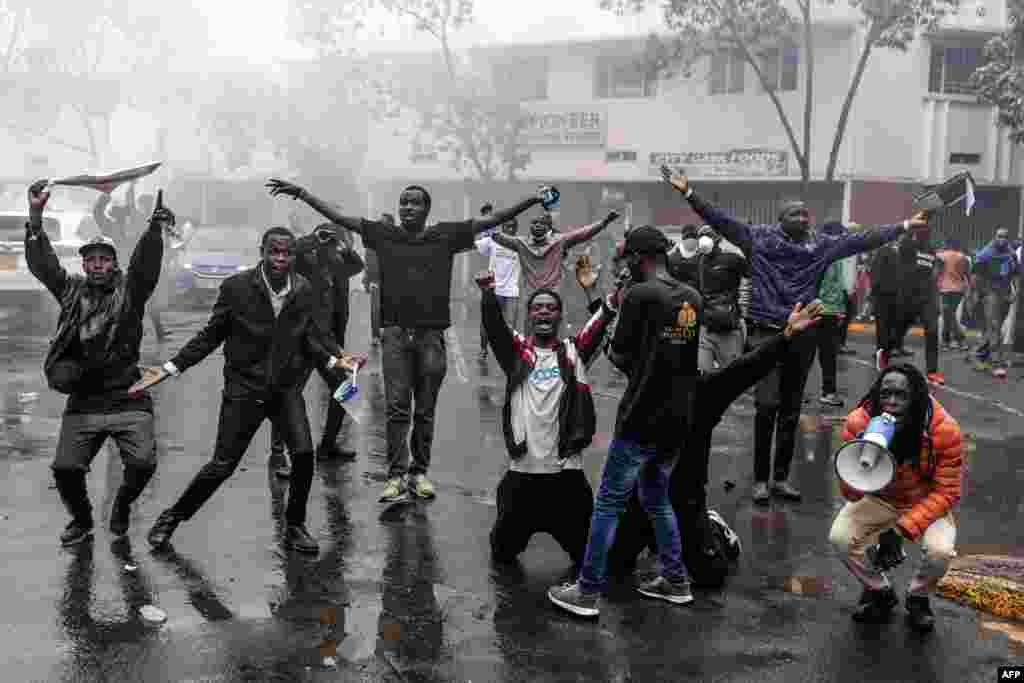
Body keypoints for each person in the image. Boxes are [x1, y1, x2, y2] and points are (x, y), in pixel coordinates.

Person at [266, 178, 555, 503]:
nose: (407, 207)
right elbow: (342, 218)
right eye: (403, 201)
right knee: (397, 408)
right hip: (395, 336)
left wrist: (531, 200)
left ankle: (419, 472)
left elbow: (492, 220)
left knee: (425, 411)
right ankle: (396, 476)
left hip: (431, 336)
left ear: (426, 209)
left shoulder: (444, 235)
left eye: (415, 202)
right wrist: (304, 193)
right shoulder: (384, 235)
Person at [661, 165, 926, 505]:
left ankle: (780, 478)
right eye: (795, 214)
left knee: (790, 409)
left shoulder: (820, 245)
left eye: (806, 214)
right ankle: (759, 479)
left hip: (802, 336)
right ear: (781, 219)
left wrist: (903, 225)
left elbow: (863, 238)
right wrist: (688, 193)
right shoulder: (759, 238)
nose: (803, 218)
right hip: (766, 333)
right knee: (766, 407)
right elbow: (720, 219)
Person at [134, 227, 364, 555]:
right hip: (245, 389)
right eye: (274, 252)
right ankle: (172, 517)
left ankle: (295, 525)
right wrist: (171, 367)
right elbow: (210, 335)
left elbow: (309, 338)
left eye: (286, 253)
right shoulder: (237, 288)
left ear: (294, 256)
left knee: (302, 455)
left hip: (284, 390)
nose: (280, 259)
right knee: (222, 465)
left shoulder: (303, 289)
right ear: (262, 251)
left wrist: (336, 359)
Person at [607, 301, 825, 587]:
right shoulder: (642, 377)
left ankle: (714, 527)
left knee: (711, 576)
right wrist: (604, 303)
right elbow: (614, 348)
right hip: (642, 498)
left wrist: (786, 335)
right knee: (612, 567)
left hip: (685, 501)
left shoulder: (705, 389)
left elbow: (749, 366)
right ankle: (656, 538)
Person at [546, 226, 701, 617]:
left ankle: (587, 590)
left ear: (636, 258)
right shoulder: (691, 296)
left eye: (626, 258)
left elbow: (619, 355)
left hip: (643, 413)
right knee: (655, 496)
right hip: (679, 415)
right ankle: (675, 579)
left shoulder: (639, 295)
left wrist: (611, 320)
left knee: (609, 502)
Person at [25, 180, 173, 546]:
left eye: (103, 259)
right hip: (85, 401)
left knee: (142, 465)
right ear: (84, 264)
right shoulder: (71, 291)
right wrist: (36, 213)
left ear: (113, 263)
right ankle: (82, 518)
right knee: (65, 469)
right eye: (90, 259)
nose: (96, 265)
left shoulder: (132, 292)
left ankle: (122, 504)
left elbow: (145, 266)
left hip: (128, 396)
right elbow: (43, 265)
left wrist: (154, 231)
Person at [477, 269, 618, 572]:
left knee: (588, 560)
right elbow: (495, 327)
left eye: (551, 307)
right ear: (529, 316)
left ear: (559, 316)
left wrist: (606, 293)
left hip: (565, 477)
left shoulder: (574, 352)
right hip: (522, 475)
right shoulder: (517, 353)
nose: (544, 311)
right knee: (502, 555)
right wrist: (488, 292)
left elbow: (602, 321)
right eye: (537, 306)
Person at [829, 363, 963, 633]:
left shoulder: (944, 430)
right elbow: (852, 494)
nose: (891, 403)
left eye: (900, 396)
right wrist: (861, 460)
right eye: (885, 394)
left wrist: (901, 530)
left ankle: (918, 597)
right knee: (840, 538)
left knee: (940, 552)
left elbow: (947, 491)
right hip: (881, 499)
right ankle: (878, 590)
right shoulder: (859, 422)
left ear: (915, 398)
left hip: (925, 501)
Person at [269, 221, 365, 478]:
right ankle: (279, 454)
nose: (331, 244)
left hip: (326, 339)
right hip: (300, 339)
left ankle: (327, 446)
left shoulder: (337, 264)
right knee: (288, 396)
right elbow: (292, 252)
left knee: (344, 390)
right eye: (329, 239)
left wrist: (344, 248)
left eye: (336, 240)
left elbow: (358, 266)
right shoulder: (302, 261)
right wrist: (314, 237)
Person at [488, 210, 621, 307]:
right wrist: (487, 224)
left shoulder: (559, 241)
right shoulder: (520, 243)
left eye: (542, 223)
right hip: (531, 299)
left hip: (554, 297)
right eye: (535, 222)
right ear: (529, 226)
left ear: (548, 228)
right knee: (531, 336)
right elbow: (498, 236)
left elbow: (582, 234)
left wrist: (604, 222)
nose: (538, 225)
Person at [666, 223, 751, 372]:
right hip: (704, 328)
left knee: (731, 375)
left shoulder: (733, 259)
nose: (705, 239)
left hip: (729, 327)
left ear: (718, 238)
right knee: (703, 373)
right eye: (702, 236)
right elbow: (675, 265)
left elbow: (752, 276)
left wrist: (745, 311)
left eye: (709, 236)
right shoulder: (698, 261)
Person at [870, 223, 943, 383]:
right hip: (907, 298)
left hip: (926, 299)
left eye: (927, 231)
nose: (925, 234)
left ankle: (932, 370)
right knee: (896, 334)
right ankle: (883, 357)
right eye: (921, 231)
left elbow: (932, 273)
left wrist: (935, 299)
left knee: (932, 331)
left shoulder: (930, 250)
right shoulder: (906, 247)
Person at [973, 227, 1020, 372]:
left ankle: (980, 355)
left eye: (1005, 236)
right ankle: (997, 363)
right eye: (1000, 236)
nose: (1002, 239)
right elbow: (975, 275)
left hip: (1005, 294)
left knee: (995, 327)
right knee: (994, 325)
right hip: (990, 293)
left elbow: (1016, 274)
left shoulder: (1011, 254)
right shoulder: (986, 254)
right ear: (995, 236)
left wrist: (1016, 292)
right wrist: (978, 293)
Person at [476, 215, 522, 360]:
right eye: (507, 226)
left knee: (510, 326)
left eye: (512, 227)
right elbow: (475, 244)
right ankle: (483, 349)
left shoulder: (520, 243)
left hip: (511, 291)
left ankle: (508, 353)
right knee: (487, 322)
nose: (509, 229)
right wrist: (483, 230)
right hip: (492, 288)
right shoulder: (492, 240)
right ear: (502, 228)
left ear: (516, 228)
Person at [816, 224, 851, 407]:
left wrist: (840, 308)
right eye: (840, 236)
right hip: (817, 310)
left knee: (828, 354)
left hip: (829, 311)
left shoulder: (836, 256)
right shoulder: (817, 254)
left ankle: (828, 392)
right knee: (805, 355)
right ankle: (793, 392)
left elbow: (837, 285)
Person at [935, 238, 971, 351]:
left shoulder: (940, 256)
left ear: (946, 244)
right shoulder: (963, 257)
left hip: (943, 289)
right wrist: (969, 289)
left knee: (948, 315)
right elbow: (967, 274)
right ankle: (952, 341)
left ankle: (955, 341)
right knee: (949, 315)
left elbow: (936, 272)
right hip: (958, 290)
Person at [362, 213, 391, 346]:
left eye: (384, 223)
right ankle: (375, 335)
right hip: (376, 279)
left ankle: (388, 333)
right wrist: (367, 280)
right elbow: (367, 262)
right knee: (375, 308)